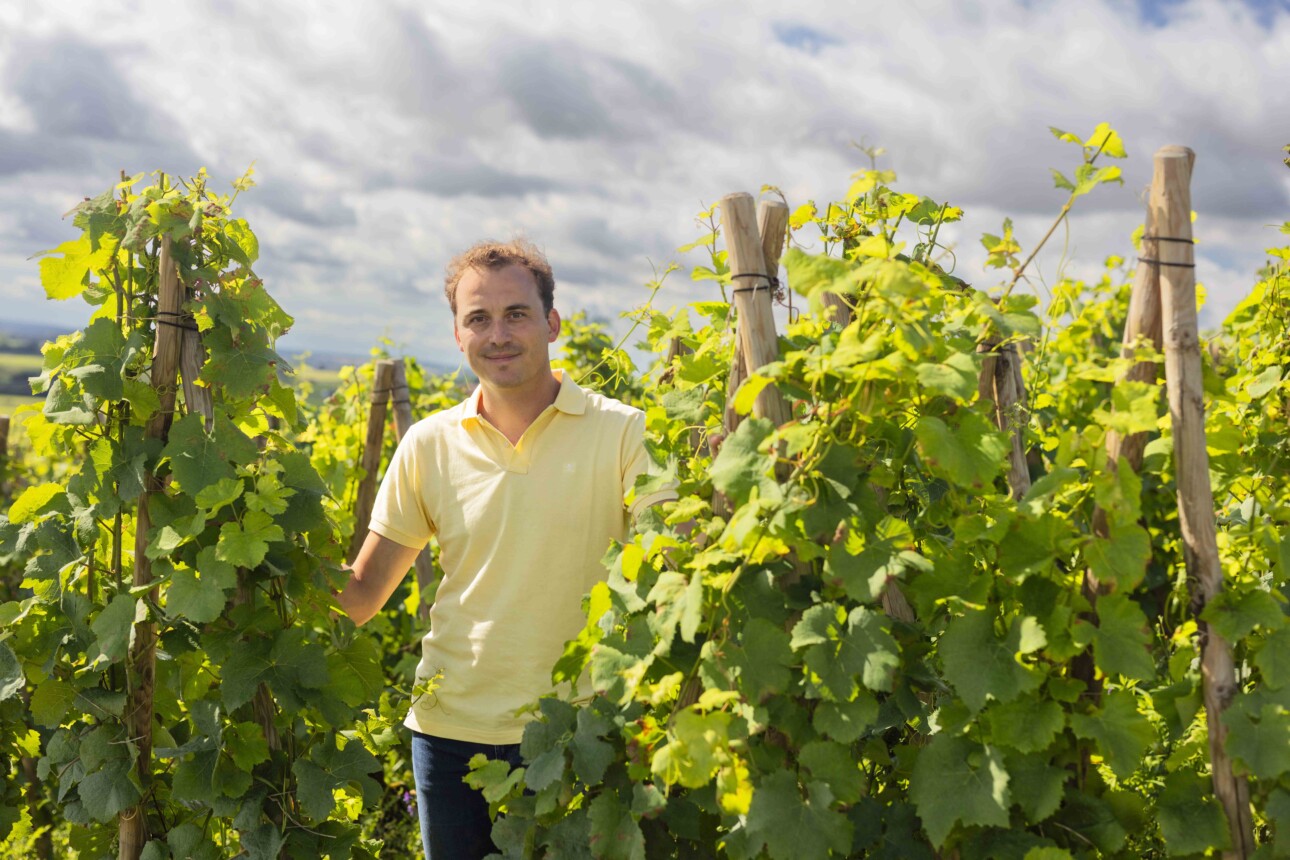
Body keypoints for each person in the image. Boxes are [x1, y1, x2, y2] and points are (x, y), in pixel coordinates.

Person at [336, 239, 674, 860]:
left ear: (552, 323)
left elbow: (671, 576)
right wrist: (262, 564)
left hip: (581, 731)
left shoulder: (625, 433)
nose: (499, 334)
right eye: (479, 319)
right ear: (457, 335)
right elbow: (359, 598)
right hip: (448, 736)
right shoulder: (428, 446)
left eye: (516, 313)